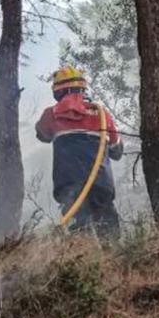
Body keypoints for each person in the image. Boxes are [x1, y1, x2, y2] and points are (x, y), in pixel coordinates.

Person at [35, 66, 124, 235]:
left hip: (68, 182)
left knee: (79, 227)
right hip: (100, 181)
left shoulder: (51, 114)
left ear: (57, 91)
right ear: (82, 88)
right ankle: (113, 256)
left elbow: (42, 135)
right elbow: (117, 151)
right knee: (107, 226)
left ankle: (81, 255)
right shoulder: (101, 114)